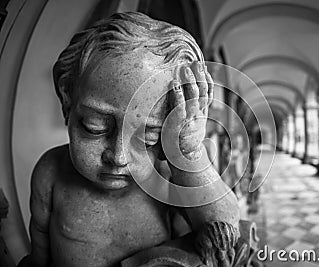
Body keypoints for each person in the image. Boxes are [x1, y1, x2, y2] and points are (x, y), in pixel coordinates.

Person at [18, 12, 239, 267]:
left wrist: (188, 152)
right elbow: (40, 249)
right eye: (95, 127)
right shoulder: (51, 171)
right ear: (68, 100)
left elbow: (221, 232)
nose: (118, 157)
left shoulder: (166, 176)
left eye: (148, 137)